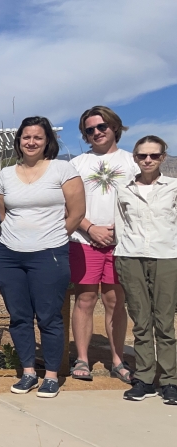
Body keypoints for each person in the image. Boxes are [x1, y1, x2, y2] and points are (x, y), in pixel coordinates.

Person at [0, 116, 85, 399]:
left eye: (38, 137)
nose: (31, 142)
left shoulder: (62, 169)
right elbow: (1, 214)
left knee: (48, 316)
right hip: (9, 255)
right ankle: (28, 372)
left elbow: (77, 212)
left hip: (49, 255)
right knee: (19, 317)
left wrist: (54, 236)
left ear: (47, 142)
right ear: (19, 141)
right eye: (26, 137)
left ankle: (52, 375)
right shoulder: (6, 174)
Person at [68, 106, 138, 383]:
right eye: (90, 129)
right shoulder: (77, 165)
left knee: (114, 301)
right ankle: (82, 359)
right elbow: (68, 204)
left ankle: (118, 359)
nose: (97, 132)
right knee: (85, 299)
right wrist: (89, 228)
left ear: (114, 127)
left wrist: (117, 231)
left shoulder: (133, 161)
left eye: (102, 126)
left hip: (122, 243)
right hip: (83, 240)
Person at [115, 135, 177, 404]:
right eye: (142, 156)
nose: (148, 160)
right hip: (131, 256)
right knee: (141, 321)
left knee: (165, 321)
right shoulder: (124, 189)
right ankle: (144, 378)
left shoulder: (173, 187)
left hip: (166, 256)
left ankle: (170, 380)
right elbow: (120, 223)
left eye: (153, 155)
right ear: (135, 158)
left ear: (163, 157)